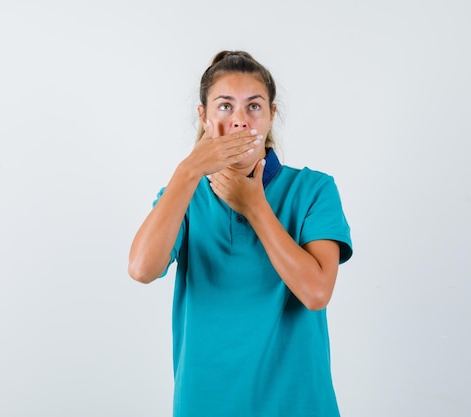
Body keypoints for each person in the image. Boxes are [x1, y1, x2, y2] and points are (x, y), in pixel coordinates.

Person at [128, 50, 353, 417]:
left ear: (270, 116)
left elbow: (316, 292)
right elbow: (141, 268)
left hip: (298, 404)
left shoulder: (313, 189)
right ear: (203, 116)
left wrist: (255, 207)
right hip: (205, 404)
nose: (239, 121)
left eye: (253, 107)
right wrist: (188, 172)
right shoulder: (184, 195)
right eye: (224, 106)